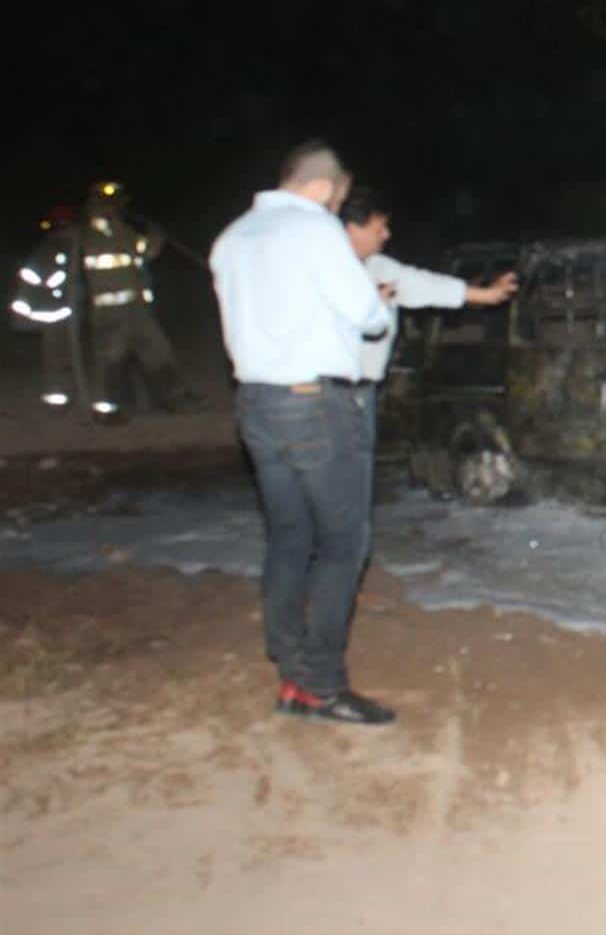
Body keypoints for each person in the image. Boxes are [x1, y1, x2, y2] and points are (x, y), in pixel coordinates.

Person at [210, 140, 397, 727]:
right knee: (344, 544)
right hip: (316, 405)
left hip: (257, 405)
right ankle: (321, 683)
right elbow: (366, 317)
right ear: (323, 188)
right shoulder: (315, 230)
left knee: (290, 540)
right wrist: (375, 302)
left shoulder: (232, 236)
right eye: (337, 197)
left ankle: (292, 672)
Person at [338, 186, 517, 441]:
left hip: (360, 393)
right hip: (328, 393)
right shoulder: (326, 269)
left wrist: (486, 295)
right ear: (353, 229)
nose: (386, 235)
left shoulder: (376, 267)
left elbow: (422, 285)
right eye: (379, 228)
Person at [75, 180, 200, 422]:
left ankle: (175, 399)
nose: (119, 207)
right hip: (110, 312)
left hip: (137, 309)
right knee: (110, 360)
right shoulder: (88, 235)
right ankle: (106, 411)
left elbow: (145, 252)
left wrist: (155, 237)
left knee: (158, 351)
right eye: (114, 203)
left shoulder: (121, 230)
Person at [10, 204, 84, 410]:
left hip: (60, 312)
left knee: (63, 355)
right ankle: (60, 398)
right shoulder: (58, 248)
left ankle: (67, 393)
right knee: (59, 355)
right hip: (56, 313)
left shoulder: (62, 246)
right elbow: (49, 281)